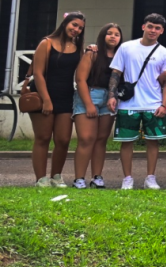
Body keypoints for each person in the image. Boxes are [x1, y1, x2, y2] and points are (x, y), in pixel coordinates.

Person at [108, 13, 166, 190]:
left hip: (153, 104)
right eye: (150, 26)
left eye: (157, 28)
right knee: (126, 142)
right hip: (128, 103)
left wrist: (164, 105)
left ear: (162, 31)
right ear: (143, 26)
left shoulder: (164, 53)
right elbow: (116, 73)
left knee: (153, 142)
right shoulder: (126, 47)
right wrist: (112, 96)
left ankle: (150, 178)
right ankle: (127, 178)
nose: (153, 30)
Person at [28, 12, 85, 188]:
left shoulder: (77, 47)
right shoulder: (46, 43)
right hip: (43, 95)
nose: (76, 29)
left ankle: (56, 177)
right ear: (65, 23)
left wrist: (92, 50)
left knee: (63, 139)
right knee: (43, 137)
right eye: (74, 25)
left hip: (66, 97)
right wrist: (46, 100)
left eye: (80, 28)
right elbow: (38, 73)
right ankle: (41, 179)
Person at [72, 22, 120, 189]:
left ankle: (97, 177)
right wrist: (89, 104)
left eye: (117, 34)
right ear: (102, 35)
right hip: (89, 94)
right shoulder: (93, 53)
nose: (113, 37)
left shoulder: (120, 56)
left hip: (110, 99)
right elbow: (80, 79)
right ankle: (79, 178)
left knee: (101, 140)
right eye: (109, 33)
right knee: (86, 139)